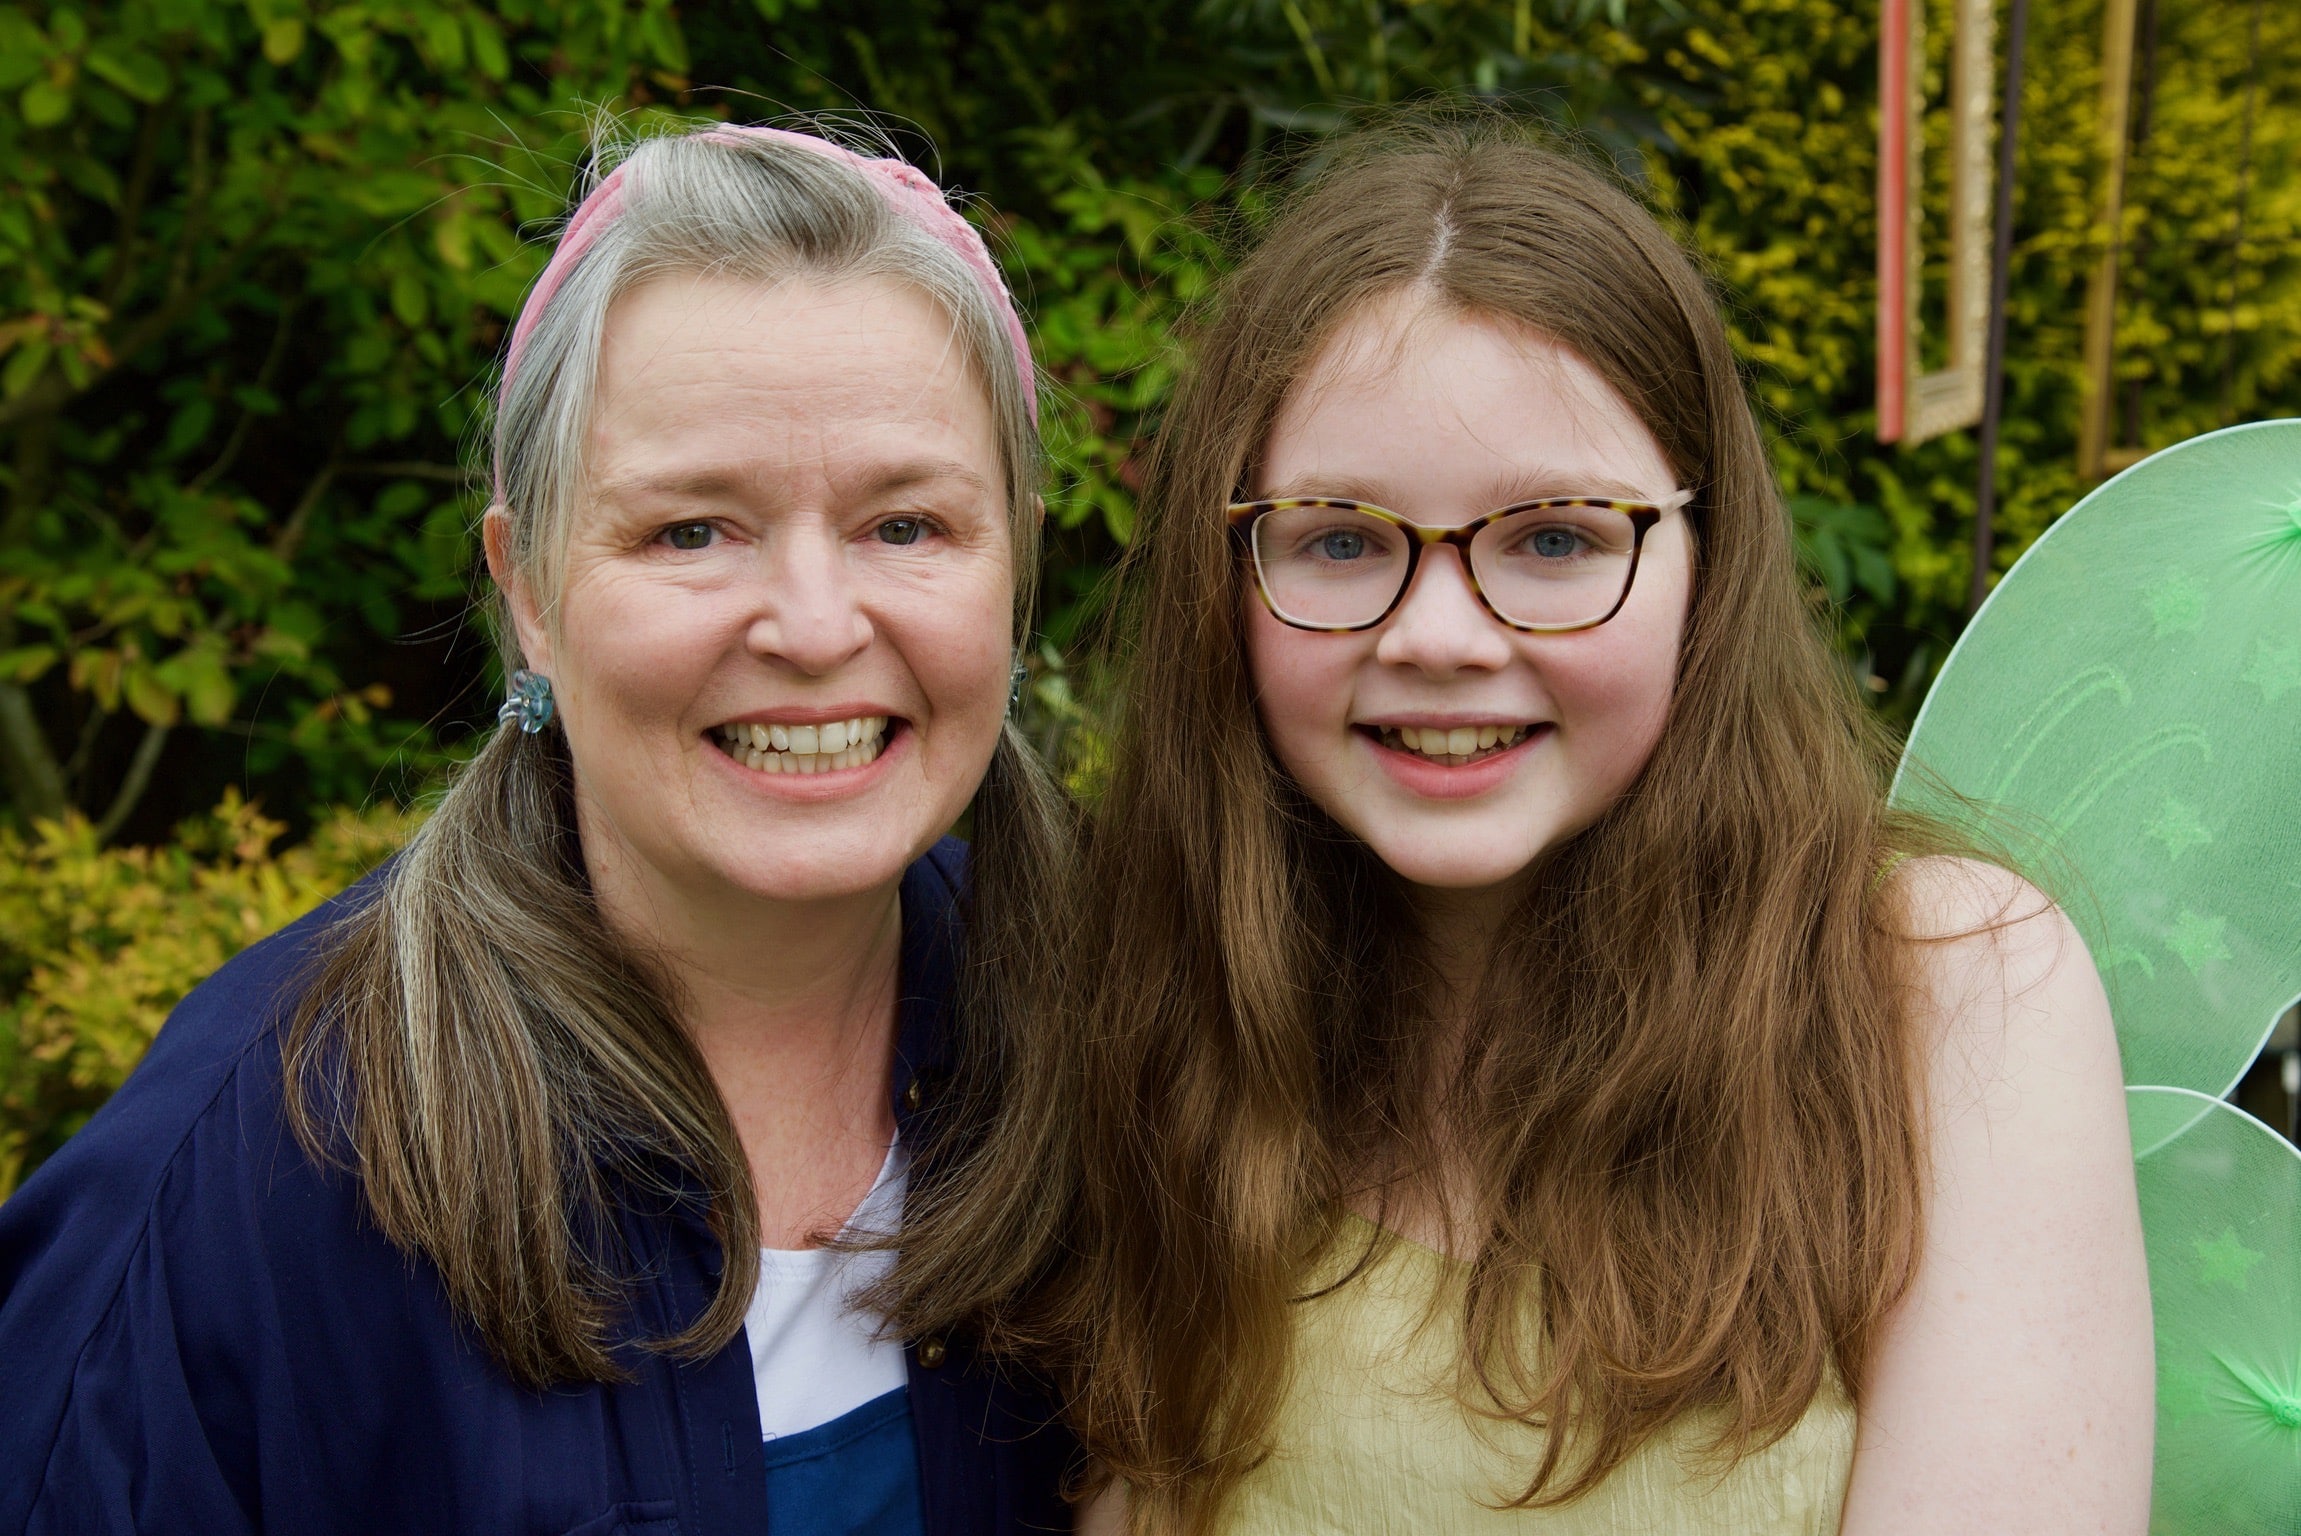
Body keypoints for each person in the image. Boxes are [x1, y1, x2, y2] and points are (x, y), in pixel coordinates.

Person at [1039, 125, 2154, 1534]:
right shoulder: (1164, 1004)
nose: (1437, 635)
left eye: (1554, 539)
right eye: (1339, 538)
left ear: (1708, 556)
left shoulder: (1940, 993)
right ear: (1230, 574)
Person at [0, 122, 1074, 1535]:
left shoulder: (1130, 1041)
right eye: (691, 530)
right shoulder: (233, 1190)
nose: (815, 626)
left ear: (1018, 559)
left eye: (908, 526)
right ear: (528, 590)